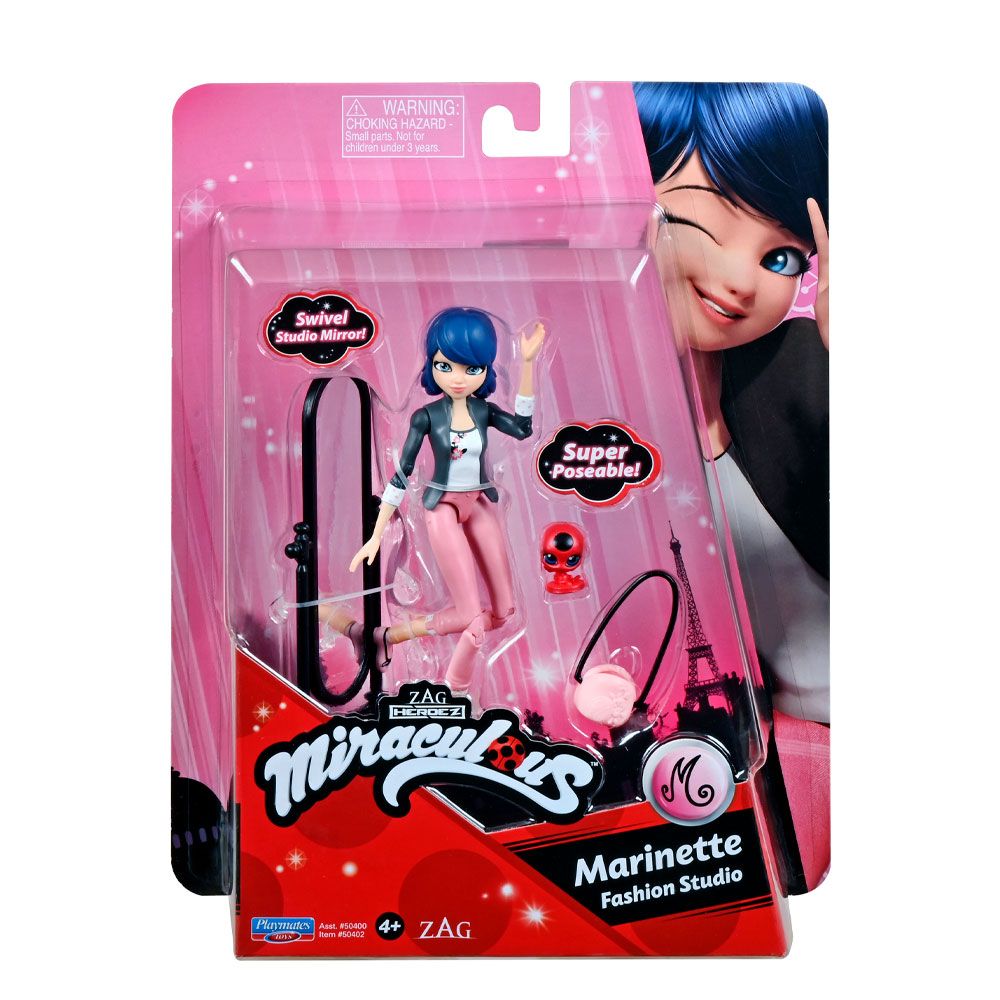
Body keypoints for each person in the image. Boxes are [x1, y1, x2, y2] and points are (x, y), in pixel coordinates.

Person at [634, 82, 829, 889]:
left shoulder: (801, 370)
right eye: (710, 226)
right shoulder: (592, 436)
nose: (741, 282)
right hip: (748, 774)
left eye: (781, 257)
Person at [323, 307, 545, 695]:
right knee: (470, 616)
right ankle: (455, 689)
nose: (457, 378)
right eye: (446, 366)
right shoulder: (426, 417)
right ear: (432, 365)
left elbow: (524, 429)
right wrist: (376, 535)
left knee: (503, 611)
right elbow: (401, 474)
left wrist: (527, 363)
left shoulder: (484, 411)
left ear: (485, 370)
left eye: (471, 369)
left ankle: (386, 637)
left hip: (478, 502)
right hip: (442, 508)